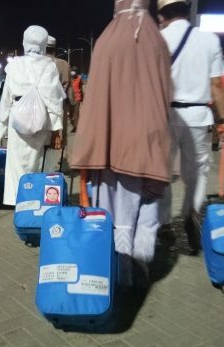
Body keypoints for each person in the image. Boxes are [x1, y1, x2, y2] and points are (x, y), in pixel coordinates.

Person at [71, 0, 173, 287]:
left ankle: (120, 270)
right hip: (149, 141)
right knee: (149, 208)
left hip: (110, 143)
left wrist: (89, 145)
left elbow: (93, 103)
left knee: (115, 212)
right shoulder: (157, 41)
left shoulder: (106, 40)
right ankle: (140, 265)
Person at [159, 0, 224, 252]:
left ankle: (165, 224)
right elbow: (217, 86)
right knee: (197, 172)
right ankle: (191, 213)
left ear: (162, 14)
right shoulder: (209, 40)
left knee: (163, 172)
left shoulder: (158, 39)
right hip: (199, 115)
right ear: (187, 10)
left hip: (166, 115)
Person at [0, 25, 65, 206]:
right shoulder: (49, 67)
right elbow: (54, 101)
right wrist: (57, 130)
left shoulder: (14, 66)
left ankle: (16, 200)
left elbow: (6, 99)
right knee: (38, 162)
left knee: (16, 163)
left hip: (17, 119)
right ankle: (35, 201)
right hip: (41, 120)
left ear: (25, 42)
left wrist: (2, 126)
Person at [46, 35, 70, 147]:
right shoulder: (63, 64)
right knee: (57, 143)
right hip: (59, 107)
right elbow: (66, 86)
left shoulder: (35, 64)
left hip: (39, 109)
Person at [69, 66, 84, 132]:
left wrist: (82, 98)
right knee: (71, 114)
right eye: (72, 71)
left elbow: (81, 88)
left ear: (76, 72)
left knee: (76, 113)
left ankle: (76, 127)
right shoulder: (69, 79)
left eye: (74, 71)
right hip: (70, 98)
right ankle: (74, 125)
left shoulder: (79, 79)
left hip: (77, 98)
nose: (73, 72)